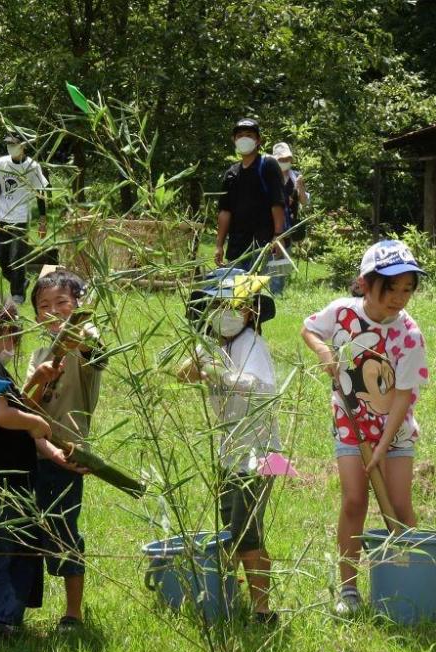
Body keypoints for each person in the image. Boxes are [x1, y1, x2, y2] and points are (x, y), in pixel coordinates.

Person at [301, 239, 429, 616]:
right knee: (355, 500)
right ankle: (348, 589)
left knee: (400, 506)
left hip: (396, 428)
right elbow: (309, 329)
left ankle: (410, 583)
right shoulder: (342, 313)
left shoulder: (410, 334)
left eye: (407, 288)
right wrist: (325, 352)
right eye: (390, 288)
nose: (399, 297)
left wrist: (383, 446)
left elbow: (404, 396)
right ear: (364, 283)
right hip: (351, 422)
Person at [0, 292, 80, 639]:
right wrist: (33, 423)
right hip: (1, 482)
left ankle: (0, 622)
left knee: (15, 549)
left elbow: (2, 408)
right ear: (4, 329)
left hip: (8, 480)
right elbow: (1, 414)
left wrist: (51, 450)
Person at [178, 268, 281, 623]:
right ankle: (227, 601)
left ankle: (263, 609)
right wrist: (200, 360)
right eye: (217, 305)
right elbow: (181, 373)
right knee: (229, 530)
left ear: (250, 311)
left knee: (245, 533)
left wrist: (222, 374)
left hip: (262, 454)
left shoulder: (251, 344)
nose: (226, 313)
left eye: (233, 306)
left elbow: (262, 388)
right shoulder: (217, 346)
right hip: (230, 453)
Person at [23, 267, 103, 630]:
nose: (53, 312)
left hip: (67, 456)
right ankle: (15, 607)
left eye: (62, 303)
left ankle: (74, 612)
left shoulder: (83, 342)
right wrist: (40, 376)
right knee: (26, 531)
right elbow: (25, 403)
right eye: (44, 306)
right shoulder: (38, 351)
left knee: (63, 530)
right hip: (30, 453)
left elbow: (95, 349)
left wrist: (78, 332)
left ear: (77, 306)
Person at [214, 119, 286, 290]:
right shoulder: (231, 173)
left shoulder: (268, 165)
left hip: (262, 242)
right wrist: (219, 245)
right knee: (235, 291)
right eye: (240, 136)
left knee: (257, 291)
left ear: (258, 140)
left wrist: (278, 235)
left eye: (249, 135)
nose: (244, 139)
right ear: (234, 140)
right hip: (237, 244)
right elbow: (225, 211)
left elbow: (277, 202)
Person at [0, 132, 48, 305]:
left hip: (21, 218)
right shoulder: (1, 163)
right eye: (8, 144)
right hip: (1, 216)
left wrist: (42, 221)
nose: (10, 147)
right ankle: (21, 282)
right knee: (0, 257)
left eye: (14, 144)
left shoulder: (32, 167)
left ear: (23, 146)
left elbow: (40, 194)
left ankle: (17, 294)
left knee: (17, 258)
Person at [272, 142, 309, 248]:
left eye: (287, 159)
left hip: (288, 228)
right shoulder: (269, 176)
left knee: (283, 261)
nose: (284, 162)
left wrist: (300, 187)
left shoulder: (296, 176)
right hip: (270, 227)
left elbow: (304, 202)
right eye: (281, 159)